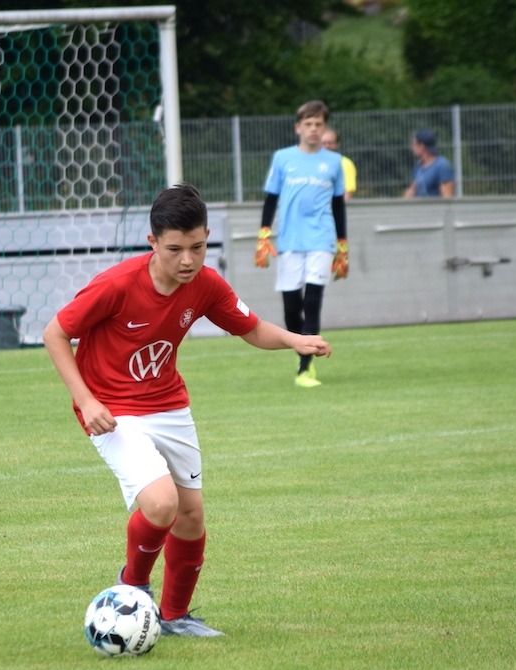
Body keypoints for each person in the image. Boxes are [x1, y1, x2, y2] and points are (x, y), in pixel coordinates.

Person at [43, 183, 331, 637]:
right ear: (152, 242)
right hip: (112, 410)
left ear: (207, 237)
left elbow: (251, 328)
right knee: (162, 505)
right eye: (175, 249)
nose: (187, 261)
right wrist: (86, 400)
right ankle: (132, 589)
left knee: (191, 514)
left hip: (168, 404)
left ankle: (176, 616)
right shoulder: (117, 285)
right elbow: (55, 333)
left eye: (197, 247)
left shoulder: (205, 284)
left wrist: (296, 340)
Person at [256, 99, 348, 388]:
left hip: (321, 239)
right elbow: (271, 199)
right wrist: (264, 234)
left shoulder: (334, 162)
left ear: (324, 127)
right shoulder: (282, 158)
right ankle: (303, 350)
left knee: (312, 301)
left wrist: (342, 244)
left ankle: (305, 370)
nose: (313, 129)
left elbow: (338, 206)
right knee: (291, 307)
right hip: (290, 241)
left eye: (318, 124)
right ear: (298, 127)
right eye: (308, 124)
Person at [404, 128, 454, 198]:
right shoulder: (419, 166)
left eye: (414, 144)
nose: (412, 148)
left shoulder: (442, 166)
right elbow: (412, 190)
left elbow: (447, 197)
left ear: (422, 146)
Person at [321, 127, 357, 200]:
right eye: (323, 143)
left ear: (337, 144)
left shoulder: (345, 164)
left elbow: (347, 193)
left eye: (330, 143)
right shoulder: (308, 162)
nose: (327, 146)